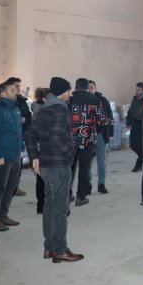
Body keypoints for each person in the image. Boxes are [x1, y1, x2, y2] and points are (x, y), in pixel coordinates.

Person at [25, 77, 84, 263]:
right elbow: (57, 137)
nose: (71, 94)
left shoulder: (44, 109)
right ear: (61, 92)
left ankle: (49, 248)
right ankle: (60, 250)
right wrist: (72, 153)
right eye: (68, 90)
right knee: (60, 209)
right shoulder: (60, 110)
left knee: (49, 207)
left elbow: (29, 133)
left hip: (46, 165)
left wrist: (34, 156)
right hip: (59, 166)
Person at [0, 81, 23, 232]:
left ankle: (3, 215)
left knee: (11, 187)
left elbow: (19, 130)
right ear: (2, 93)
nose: (16, 91)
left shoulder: (15, 108)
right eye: (12, 89)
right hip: (3, 156)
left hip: (15, 154)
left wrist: (21, 148)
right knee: (0, 188)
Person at [69, 78, 102, 206]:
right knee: (84, 168)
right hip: (88, 140)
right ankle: (81, 197)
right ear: (87, 87)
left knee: (69, 167)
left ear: (76, 86)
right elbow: (100, 120)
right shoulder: (94, 100)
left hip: (70, 140)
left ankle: (67, 195)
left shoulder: (69, 98)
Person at [4, 76, 31, 197]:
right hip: (10, 136)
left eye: (19, 86)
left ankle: (14, 186)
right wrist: (17, 120)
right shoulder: (6, 101)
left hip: (22, 134)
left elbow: (27, 115)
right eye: (16, 86)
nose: (19, 88)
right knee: (9, 163)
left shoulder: (21, 100)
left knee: (18, 163)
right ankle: (6, 186)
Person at [88, 80, 114, 194]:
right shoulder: (82, 101)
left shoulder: (103, 100)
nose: (90, 90)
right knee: (87, 162)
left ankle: (101, 184)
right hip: (87, 135)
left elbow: (110, 118)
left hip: (101, 135)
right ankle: (87, 185)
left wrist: (111, 134)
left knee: (101, 162)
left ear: (95, 88)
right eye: (88, 88)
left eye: (92, 87)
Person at [31, 88, 48, 214]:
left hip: (39, 148)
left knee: (40, 178)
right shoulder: (45, 112)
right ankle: (44, 204)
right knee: (46, 179)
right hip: (45, 149)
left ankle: (40, 205)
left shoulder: (35, 110)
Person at [127, 82, 143, 172]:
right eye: (136, 89)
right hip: (134, 125)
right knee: (132, 145)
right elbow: (130, 111)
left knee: (139, 145)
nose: (137, 91)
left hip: (142, 125)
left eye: (139, 90)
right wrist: (128, 122)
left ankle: (139, 164)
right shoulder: (135, 98)